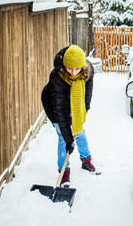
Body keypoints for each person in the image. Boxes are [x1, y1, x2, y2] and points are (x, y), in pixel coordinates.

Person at [41, 45, 96, 187]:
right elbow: (59, 110)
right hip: (55, 107)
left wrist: (83, 109)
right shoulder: (57, 77)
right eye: (69, 68)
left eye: (76, 69)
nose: (73, 72)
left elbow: (87, 94)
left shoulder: (87, 70)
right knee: (63, 138)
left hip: (75, 105)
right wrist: (68, 139)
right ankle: (64, 171)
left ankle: (86, 160)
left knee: (80, 132)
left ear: (82, 67)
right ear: (65, 65)